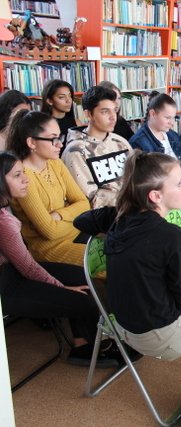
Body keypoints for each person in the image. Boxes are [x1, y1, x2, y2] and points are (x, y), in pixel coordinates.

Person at [74, 150, 181, 426]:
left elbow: (80, 221)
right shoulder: (171, 237)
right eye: (179, 183)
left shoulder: (121, 216)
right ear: (155, 196)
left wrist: (113, 222)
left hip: (123, 323)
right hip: (157, 333)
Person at [0, 151, 119, 368]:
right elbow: (28, 267)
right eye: (17, 175)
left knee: (83, 276)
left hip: (16, 270)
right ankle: (88, 348)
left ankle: (83, 342)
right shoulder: (4, 223)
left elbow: (81, 203)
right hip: (7, 284)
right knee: (84, 299)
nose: (26, 179)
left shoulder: (5, 209)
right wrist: (62, 287)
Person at [129, 92, 181, 258]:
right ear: (152, 114)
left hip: (180, 186)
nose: (172, 123)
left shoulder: (171, 135)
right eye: (167, 118)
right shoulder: (139, 142)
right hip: (162, 197)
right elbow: (151, 181)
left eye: (173, 118)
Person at [6, 110, 89, 267]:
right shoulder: (23, 177)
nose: (60, 144)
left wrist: (59, 215)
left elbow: (84, 203)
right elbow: (50, 232)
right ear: (32, 143)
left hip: (76, 234)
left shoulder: (55, 163)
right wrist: (74, 215)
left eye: (60, 137)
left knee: (124, 251)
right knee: (113, 264)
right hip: (49, 249)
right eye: (53, 139)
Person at [62, 85, 132, 208]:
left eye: (114, 110)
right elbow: (90, 198)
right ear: (89, 114)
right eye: (105, 111)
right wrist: (133, 201)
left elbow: (135, 176)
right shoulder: (75, 151)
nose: (113, 117)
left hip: (132, 208)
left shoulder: (120, 142)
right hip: (106, 214)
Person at [40, 79, 80, 148]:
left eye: (70, 96)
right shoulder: (43, 125)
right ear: (49, 101)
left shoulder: (77, 123)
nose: (68, 101)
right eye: (61, 97)